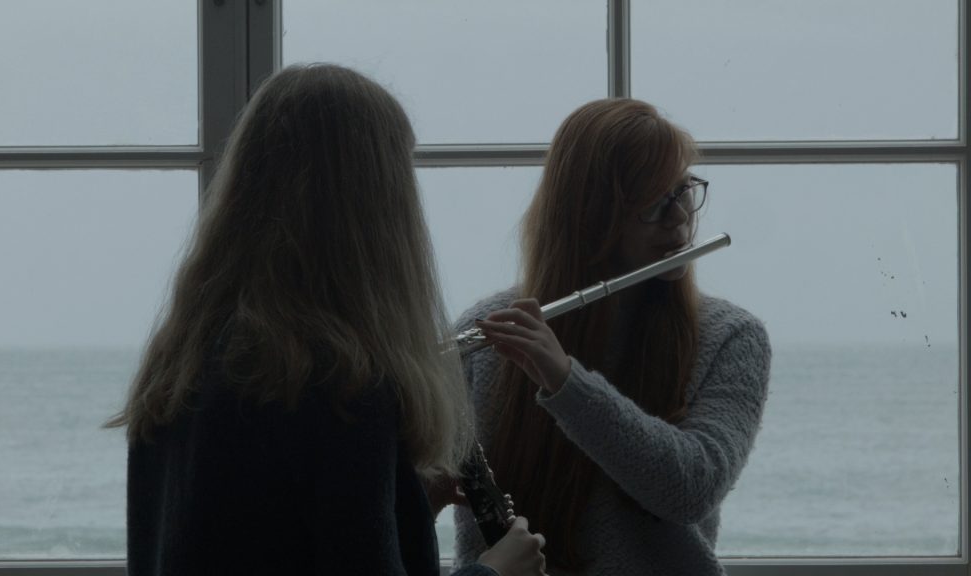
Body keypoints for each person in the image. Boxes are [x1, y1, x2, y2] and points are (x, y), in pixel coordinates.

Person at [107, 63, 547, 576]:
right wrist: (497, 569)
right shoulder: (341, 381)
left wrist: (404, 503)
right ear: (376, 210)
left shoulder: (183, 360)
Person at [450, 99, 771, 576]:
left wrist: (565, 381)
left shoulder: (730, 337)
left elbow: (690, 491)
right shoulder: (489, 333)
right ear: (589, 216)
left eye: (682, 191)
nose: (679, 220)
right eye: (652, 203)